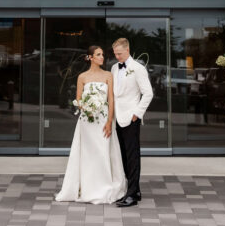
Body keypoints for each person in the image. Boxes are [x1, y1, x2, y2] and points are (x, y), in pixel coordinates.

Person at [55, 44, 126, 204]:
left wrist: (109, 121)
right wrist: (87, 105)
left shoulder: (108, 75)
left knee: (102, 152)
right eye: (99, 55)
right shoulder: (82, 77)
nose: (102, 57)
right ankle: (86, 187)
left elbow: (111, 99)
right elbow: (78, 100)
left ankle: (104, 187)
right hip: (87, 121)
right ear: (91, 58)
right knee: (88, 155)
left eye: (102, 54)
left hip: (103, 120)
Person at [111, 37, 154, 208]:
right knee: (122, 155)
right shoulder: (115, 67)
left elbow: (148, 93)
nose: (117, 57)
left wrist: (137, 114)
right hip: (117, 118)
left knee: (132, 156)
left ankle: (132, 196)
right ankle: (134, 190)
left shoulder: (138, 68)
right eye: (115, 54)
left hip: (131, 118)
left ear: (127, 50)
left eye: (120, 54)